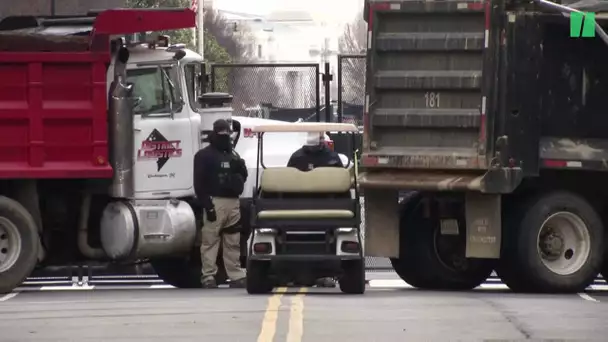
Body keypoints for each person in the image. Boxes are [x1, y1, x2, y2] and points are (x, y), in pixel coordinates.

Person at [194, 119, 248, 289]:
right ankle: (208, 276)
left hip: (233, 201)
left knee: (233, 241)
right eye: (222, 132)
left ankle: (236, 275)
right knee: (210, 241)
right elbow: (199, 183)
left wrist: (240, 168)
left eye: (227, 132)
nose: (225, 135)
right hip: (214, 201)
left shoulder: (233, 155)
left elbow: (242, 176)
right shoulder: (204, 156)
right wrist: (207, 205)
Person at [287, 132, 344, 288]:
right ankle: (303, 274)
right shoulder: (328, 157)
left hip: (316, 205)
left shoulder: (328, 158)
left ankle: (319, 274)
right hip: (314, 205)